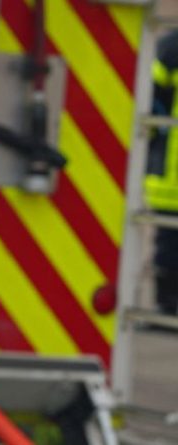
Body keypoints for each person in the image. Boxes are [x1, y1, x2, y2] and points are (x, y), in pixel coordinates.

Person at [147, 30, 178, 316]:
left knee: (169, 244)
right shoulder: (172, 47)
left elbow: (152, 101)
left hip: (171, 172)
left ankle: (167, 306)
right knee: (169, 244)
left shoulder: (172, 46)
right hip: (171, 174)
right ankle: (168, 305)